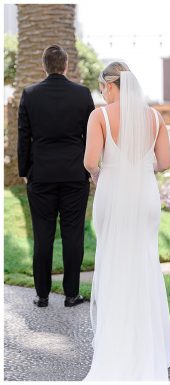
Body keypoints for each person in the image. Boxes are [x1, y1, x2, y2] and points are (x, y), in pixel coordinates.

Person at [83, 61, 170, 379]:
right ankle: (145, 344)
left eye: (102, 87)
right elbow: (164, 162)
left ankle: (117, 344)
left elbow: (89, 161)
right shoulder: (154, 116)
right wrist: (138, 171)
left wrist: (106, 174)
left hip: (112, 196)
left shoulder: (100, 116)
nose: (101, 94)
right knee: (144, 265)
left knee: (114, 265)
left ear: (111, 86)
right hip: (145, 198)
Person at [17, 44, 94, 308]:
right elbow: (91, 137)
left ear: (44, 66)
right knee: (73, 235)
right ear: (66, 65)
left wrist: (25, 171)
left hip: (41, 176)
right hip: (75, 175)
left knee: (43, 235)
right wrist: (89, 169)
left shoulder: (30, 94)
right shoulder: (82, 95)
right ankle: (71, 294)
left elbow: (23, 137)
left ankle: (42, 295)